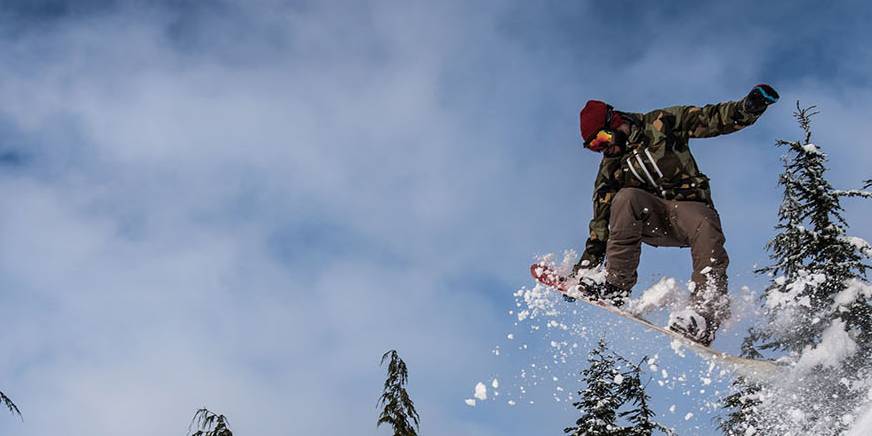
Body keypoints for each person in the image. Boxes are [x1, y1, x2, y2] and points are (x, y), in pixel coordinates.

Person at [572, 84, 779, 346]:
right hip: (654, 220)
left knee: (702, 220)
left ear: (615, 121)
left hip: (689, 210)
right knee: (625, 198)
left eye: (602, 140)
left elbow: (711, 118)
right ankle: (615, 285)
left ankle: (705, 313)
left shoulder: (662, 122)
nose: (603, 149)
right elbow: (601, 221)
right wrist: (584, 270)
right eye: (593, 147)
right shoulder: (611, 167)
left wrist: (747, 108)